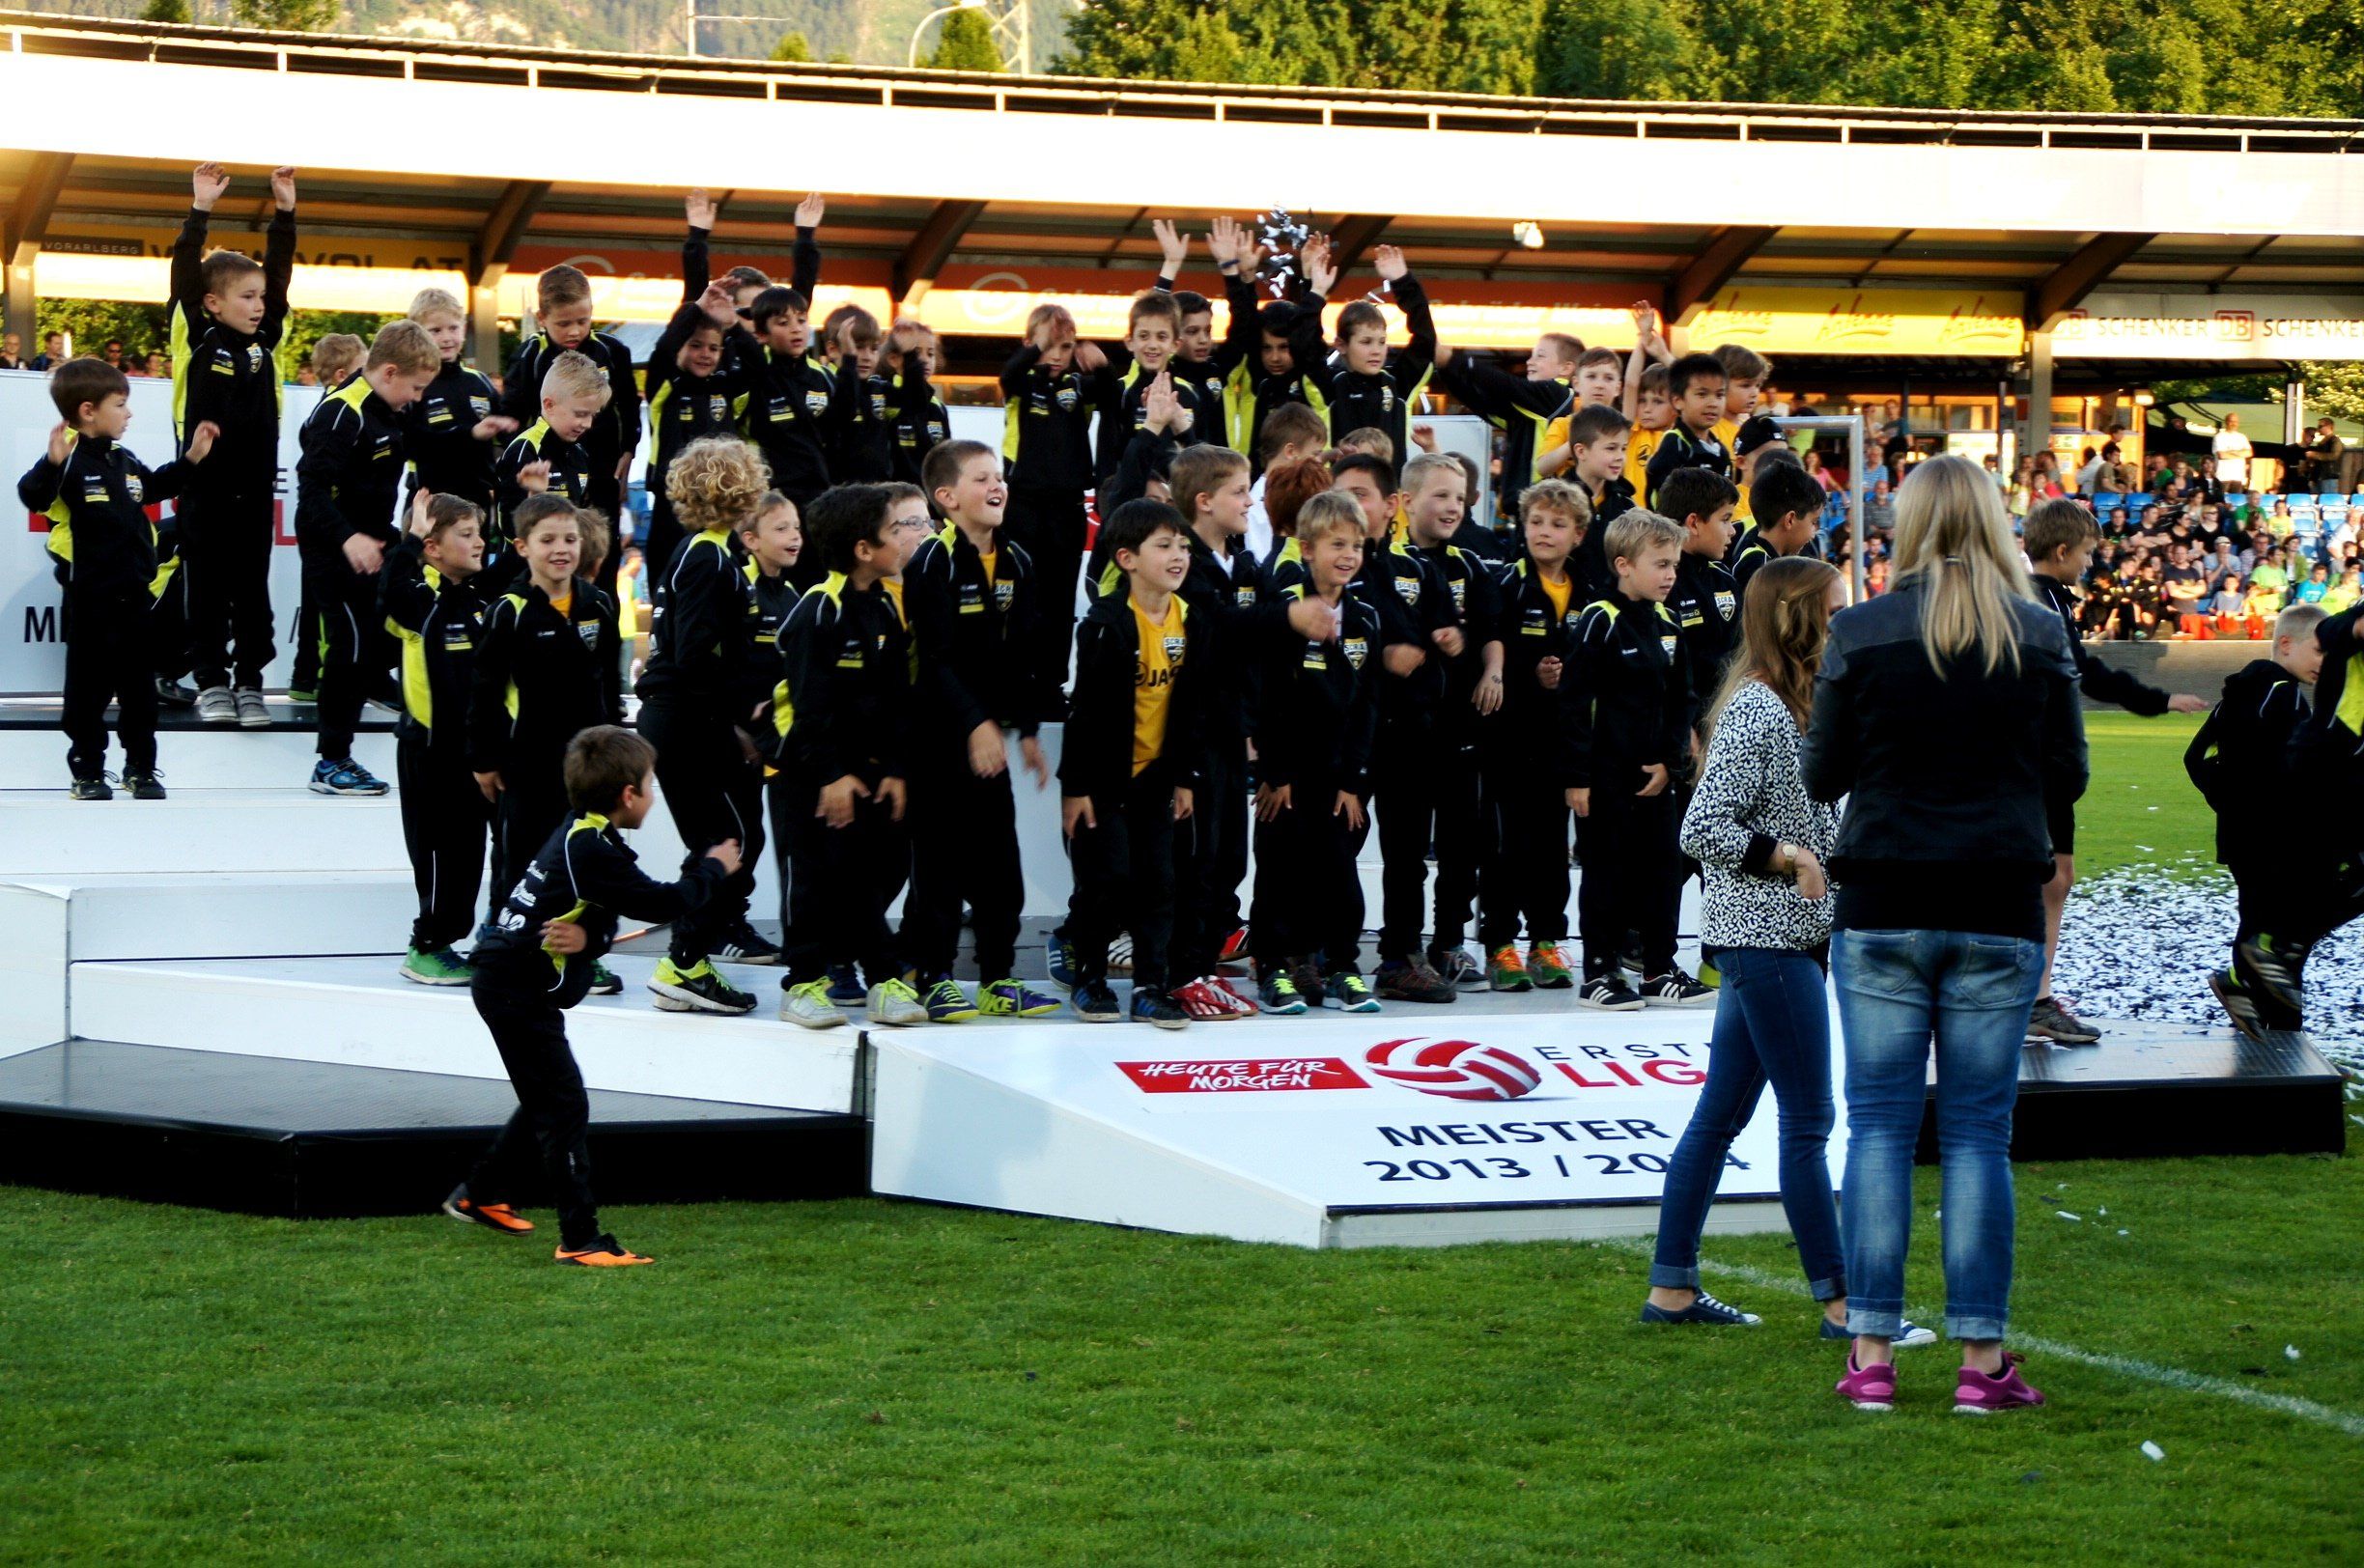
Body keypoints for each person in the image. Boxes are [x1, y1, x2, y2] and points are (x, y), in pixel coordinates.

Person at [1804, 454, 2086, 1415]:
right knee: (1975, 1136)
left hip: (1885, 895)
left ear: (1910, 526)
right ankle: (1980, 1359)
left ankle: (1872, 1354)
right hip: (1996, 899)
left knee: (1880, 1129)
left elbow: (1823, 771)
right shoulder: (2038, 631)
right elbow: (2070, 774)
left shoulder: (1861, 628)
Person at [1646, 556, 1937, 1344]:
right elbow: (1702, 827)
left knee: (1720, 1117)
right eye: (1835, 609)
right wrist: (1788, 857)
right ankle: (1845, 1308)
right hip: (1765, 939)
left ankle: (1671, 1288)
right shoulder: (1758, 707)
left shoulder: (1802, 702)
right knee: (1809, 1121)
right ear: (1797, 618)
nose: (1847, 620)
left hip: (1783, 940)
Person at [447, 725, 738, 1268]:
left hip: (510, 983)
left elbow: (599, 913)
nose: (652, 795)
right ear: (629, 794)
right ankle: (580, 1238)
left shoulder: (585, 834)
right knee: (564, 1106)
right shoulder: (591, 847)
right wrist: (714, 867)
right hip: (512, 987)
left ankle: (479, 1194)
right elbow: (663, 903)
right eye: (649, 785)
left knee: (549, 1098)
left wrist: (588, 940)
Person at [2020, 500, 2209, 1043]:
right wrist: (2158, 699)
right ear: (2062, 551)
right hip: (2037, 764)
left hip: (2047, 764)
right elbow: (2084, 672)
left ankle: (2033, 997)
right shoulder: (2038, 603)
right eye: (2086, 553)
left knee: (2057, 877)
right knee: (2041, 879)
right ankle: (2025, 999)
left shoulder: (2047, 600)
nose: (2089, 563)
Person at [898, 440, 1066, 1024]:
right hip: (939, 739)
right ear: (946, 498)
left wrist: (1025, 730)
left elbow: (1022, 657)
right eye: (981, 479)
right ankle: (934, 977)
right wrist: (974, 724)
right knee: (939, 867)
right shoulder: (932, 562)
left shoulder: (1017, 559)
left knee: (1000, 868)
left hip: (991, 738)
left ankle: (997, 978)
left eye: (1000, 477)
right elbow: (935, 659)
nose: (997, 486)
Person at [20, 359, 216, 800]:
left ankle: (140, 768)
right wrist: (50, 464)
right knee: (87, 691)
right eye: (121, 404)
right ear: (88, 411)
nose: (129, 414)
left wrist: (191, 459)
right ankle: (88, 771)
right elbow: (32, 494)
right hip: (91, 599)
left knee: (139, 690)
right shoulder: (67, 460)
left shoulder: (124, 460)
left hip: (135, 597)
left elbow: (154, 487)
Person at [771, 485, 929, 1029]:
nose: (905, 541)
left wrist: (896, 770)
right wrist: (831, 775)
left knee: (867, 878)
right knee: (813, 882)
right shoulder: (819, 610)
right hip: (810, 776)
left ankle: (881, 980)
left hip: (868, 774)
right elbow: (809, 707)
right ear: (864, 549)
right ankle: (803, 985)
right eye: (894, 532)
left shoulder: (883, 604)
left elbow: (896, 699)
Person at [633, 436, 777, 1018]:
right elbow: (694, 657)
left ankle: (692, 956)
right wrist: (740, 717)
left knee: (731, 838)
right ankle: (685, 961)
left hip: (686, 716)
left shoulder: (706, 552)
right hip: (687, 719)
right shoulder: (708, 559)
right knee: (730, 840)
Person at [1166, 443, 1306, 1021]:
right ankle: (1181, 975)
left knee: (1227, 861)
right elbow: (1222, 629)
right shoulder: (1184, 565)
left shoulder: (1245, 563)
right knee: (1196, 861)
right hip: (1192, 735)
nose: (1251, 501)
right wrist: (1288, 617)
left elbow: (1261, 650)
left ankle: (1203, 969)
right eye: (1239, 491)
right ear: (1204, 501)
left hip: (1232, 736)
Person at [1059, 499, 1206, 1028]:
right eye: (1163, 546)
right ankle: (1090, 978)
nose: (1178, 556)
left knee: (1159, 882)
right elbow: (1085, 714)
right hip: (1103, 781)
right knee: (1106, 880)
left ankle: (1150, 985)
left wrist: (1184, 777)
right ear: (1127, 559)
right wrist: (1075, 788)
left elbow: (1190, 709)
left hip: (1157, 778)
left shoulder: (1190, 618)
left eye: (1183, 546)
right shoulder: (1106, 623)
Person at [468, 495, 625, 979]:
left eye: (570, 539)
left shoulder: (599, 604)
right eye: (548, 540)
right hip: (528, 765)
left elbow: (609, 684)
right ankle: (505, 948)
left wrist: (616, 752)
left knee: (589, 855)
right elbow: (485, 692)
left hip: (588, 766)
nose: (562, 549)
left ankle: (581, 953)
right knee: (522, 858)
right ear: (522, 547)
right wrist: (485, 760)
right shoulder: (510, 611)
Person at [1566, 509, 1711, 1010]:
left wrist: (1671, 764)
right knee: (1606, 872)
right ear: (1624, 565)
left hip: (1657, 778)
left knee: (1662, 871)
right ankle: (1599, 971)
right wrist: (1577, 777)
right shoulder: (1600, 620)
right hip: (1605, 776)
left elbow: (1682, 701)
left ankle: (1658, 968)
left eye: (1674, 565)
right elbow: (1574, 701)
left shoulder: (1668, 622)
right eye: (1661, 564)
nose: (1671, 575)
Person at [1248, 490, 1384, 1015]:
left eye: (1356, 545)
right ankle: (1273, 968)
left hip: (1337, 778)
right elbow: (1269, 699)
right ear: (1306, 549)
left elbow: (1367, 705)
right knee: (1278, 875)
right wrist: (1274, 772)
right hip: (1285, 777)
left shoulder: (1366, 618)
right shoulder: (1283, 610)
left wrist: (1353, 781)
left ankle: (1343, 966)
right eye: (1336, 545)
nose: (1348, 555)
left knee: (1340, 878)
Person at [293, 320, 442, 796]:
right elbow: (310, 490)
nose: (418, 398)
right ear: (390, 372)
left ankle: (376, 681)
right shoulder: (342, 412)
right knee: (350, 644)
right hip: (332, 545)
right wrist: (348, 538)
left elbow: (414, 457)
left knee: (411, 613)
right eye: (415, 388)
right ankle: (331, 761)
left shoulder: (391, 409)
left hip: (375, 538)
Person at [170, 161, 294, 729]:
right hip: (204, 490)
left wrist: (285, 213)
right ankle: (212, 681)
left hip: (254, 492)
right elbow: (184, 276)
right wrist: (200, 210)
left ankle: (250, 684)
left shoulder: (266, 341)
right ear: (213, 303)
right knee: (207, 589)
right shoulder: (198, 335)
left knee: (252, 594)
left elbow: (281, 277)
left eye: (260, 296)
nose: (259, 304)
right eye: (246, 296)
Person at [1380, 451, 1506, 999]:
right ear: (1406, 502)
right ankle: (1401, 950)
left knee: (1462, 845)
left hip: (1460, 730)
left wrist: (1493, 671)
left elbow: (1492, 629)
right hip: (1403, 731)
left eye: (1459, 497)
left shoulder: (1469, 564)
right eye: (1440, 496)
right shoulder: (1385, 562)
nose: (1453, 507)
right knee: (1405, 851)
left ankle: (1449, 942)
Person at [2184, 603, 2330, 1037]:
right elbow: (2298, 769)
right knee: (2277, 945)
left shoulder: (2241, 690)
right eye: (2319, 651)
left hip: (2242, 836)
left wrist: (2231, 806)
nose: (2325, 662)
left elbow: (2196, 757)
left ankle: (2253, 1019)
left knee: (2258, 926)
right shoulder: (2282, 693)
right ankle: (2283, 1034)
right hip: (2275, 838)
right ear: (2285, 643)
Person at [1477, 479, 1590, 993]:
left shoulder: (1589, 591)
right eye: (1536, 522)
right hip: (1509, 739)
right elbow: (1490, 649)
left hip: (1561, 742)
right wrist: (1530, 676)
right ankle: (1500, 943)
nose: (1544, 532)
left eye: (1557, 524)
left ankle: (1547, 940)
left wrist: (1564, 678)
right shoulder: (1505, 584)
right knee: (1507, 846)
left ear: (1578, 534)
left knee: (1551, 846)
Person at [380, 492, 492, 985]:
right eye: (465, 535)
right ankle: (425, 946)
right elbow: (390, 588)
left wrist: (530, 498)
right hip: (429, 753)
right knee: (437, 852)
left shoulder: (479, 599)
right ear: (432, 547)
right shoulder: (419, 602)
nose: (479, 542)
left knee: (469, 855)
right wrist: (409, 539)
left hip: (474, 754)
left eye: (480, 532)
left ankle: (462, 937)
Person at [499, 265, 639, 588]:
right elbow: (512, 414)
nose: (575, 331)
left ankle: (601, 613)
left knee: (602, 552)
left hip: (602, 467)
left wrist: (628, 452)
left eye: (583, 321)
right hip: (551, 466)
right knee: (551, 545)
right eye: (563, 324)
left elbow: (629, 406)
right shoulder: (530, 355)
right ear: (542, 318)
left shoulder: (612, 350)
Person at [999, 301, 1108, 704]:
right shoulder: (1021, 385)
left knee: (1060, 601)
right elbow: (1008, 375)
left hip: (1068, 508)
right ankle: (1015, 683)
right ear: (1028, 344)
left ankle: (1051, 685)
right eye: (1048, 346)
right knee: (1020, 596)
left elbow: (1113, 395)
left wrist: (1102, 366)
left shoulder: (1078, 387)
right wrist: (1035, 349)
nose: (1057, 356)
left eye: (1065, 347)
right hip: (1023, 506)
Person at [1290, 237, 1435, 458]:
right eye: (1366, 342)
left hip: (1391, 482)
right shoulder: (1330, 387)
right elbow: (1304, 344)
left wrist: (1403, 282)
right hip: (1338, 481)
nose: (1376, 350)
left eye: (1382, 342)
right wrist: (1315, 290)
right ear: (1341, 345)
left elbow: (1425, 339)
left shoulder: (1399, 385)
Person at [1433, 330, 1576, 518]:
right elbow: (1481, 403)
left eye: (1540, 356)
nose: (1529, 362)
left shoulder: (1559, 395)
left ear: (1566, 368)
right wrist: (1446, 369)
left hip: (1546, 506)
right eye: (1531, 356)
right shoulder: (1528, 410)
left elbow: (1506, 385)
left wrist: (1453, 360)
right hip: (1526, 508)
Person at [492, 350, 606, 575]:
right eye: (580, 414)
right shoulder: (525, 449)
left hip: (564, 570)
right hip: (522, 573)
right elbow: (508, 525)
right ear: (549, 405)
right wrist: (534, 497)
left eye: (592, 415)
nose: (587, 424)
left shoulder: (579, 453)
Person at [1659, 466, 1742, 708]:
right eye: (1725, 519)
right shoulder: (1660, 583)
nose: (1733, 530)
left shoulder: (1724, 580)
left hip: (1723, 714)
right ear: (1694, 523)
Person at [1644, 352, 1731, 512]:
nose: (1713, 403)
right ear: (1678, 401)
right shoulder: (1675, 445)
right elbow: (1663, 503)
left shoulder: (1722, 452)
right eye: (1702, 394)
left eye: (1719, 395)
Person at [1733, 459, 1827, 604]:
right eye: (1813, 522)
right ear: (1790, 520)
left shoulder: (1774, 561)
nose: (1813, 534)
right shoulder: (1757, 566)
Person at [2211, 412, 2253, 490]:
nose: (2234, 424)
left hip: (2238, 477)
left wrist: (2231, 452)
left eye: (2236, 421)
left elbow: (2249, 453)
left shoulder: (2242, 437)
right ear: (2226, 422)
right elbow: (2222, 455)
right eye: (2231, 421)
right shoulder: (2219, 437)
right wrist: (2240, 454)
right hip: (2222, 477)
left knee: (2236, 498)